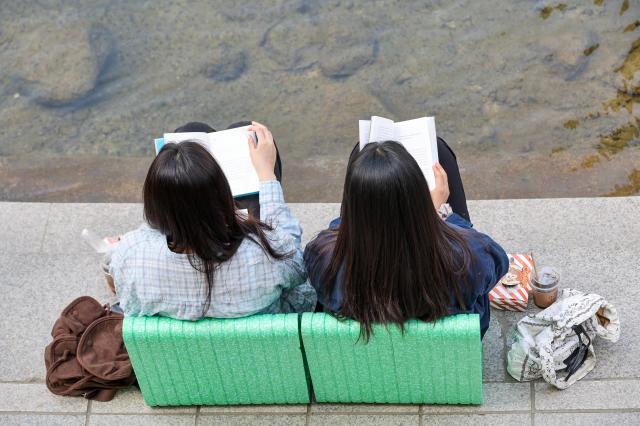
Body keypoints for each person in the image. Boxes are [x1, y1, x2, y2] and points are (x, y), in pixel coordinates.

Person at [108, 121, 316, 319]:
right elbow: (296, 266)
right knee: (244, 133)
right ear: (224, 197)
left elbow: (124, 290)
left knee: (191, 130)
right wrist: (266, 176)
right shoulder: (266, 253)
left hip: (187, 353)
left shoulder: (130, 254)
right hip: (262, 345)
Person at [303, 139, 508, 339]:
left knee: (361, 150)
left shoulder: (322, 257)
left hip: (363, 363)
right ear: (419, 198)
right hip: (443, 359)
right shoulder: (466, 257)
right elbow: (499, 263)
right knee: (439, 148)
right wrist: (436, 214)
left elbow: (339, 230)